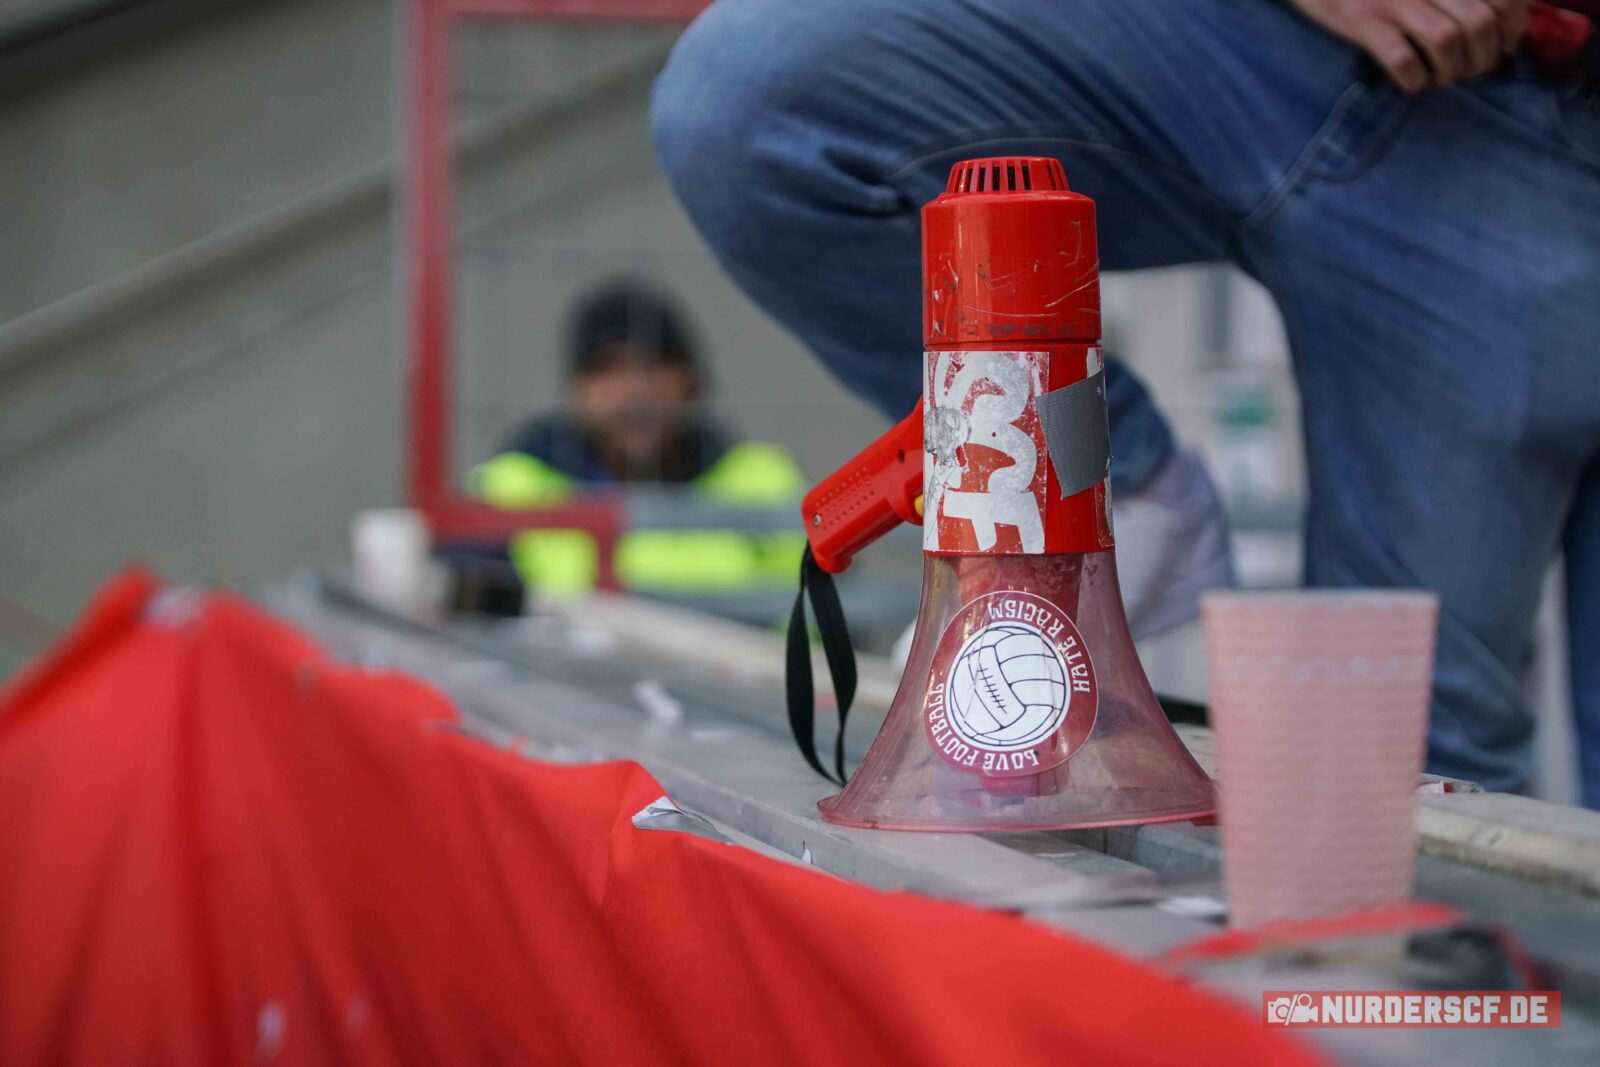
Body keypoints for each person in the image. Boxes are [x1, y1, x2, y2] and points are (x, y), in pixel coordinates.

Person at [649, 0, 1600, 799]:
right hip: (1282, 51)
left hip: (1538, 133)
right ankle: (1113, 489)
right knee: (750, 103)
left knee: (1403, 784)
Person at [473, 282, 806, 596]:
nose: (635, 388)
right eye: (607, 366)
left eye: (656, 363)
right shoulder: (511, 488)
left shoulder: (762, 483)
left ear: (692, 381)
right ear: (576, 388)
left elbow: (814, 612)